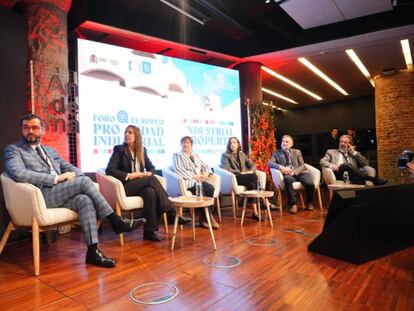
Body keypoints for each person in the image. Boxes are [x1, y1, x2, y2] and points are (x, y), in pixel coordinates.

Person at [4, 114, 146, 268]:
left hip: (59, 192)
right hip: (39, 196)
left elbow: (70, 167)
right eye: (26, 128)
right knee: (84, 182)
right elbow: (18, 173)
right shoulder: (13, 150)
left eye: (35, 127)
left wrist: (76, 176)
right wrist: (56, 179)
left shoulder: (50, 151)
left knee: (84, 200)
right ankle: (115, 220)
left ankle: (93, 251)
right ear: (22, 130)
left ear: (42, 131)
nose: (30, 131)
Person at [106, 125, 191, 242]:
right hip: (124, 187)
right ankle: (171, 213)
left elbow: (152, 168)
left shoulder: (142, 150)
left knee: (150, 192)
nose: (126, 134)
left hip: (139, 185)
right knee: (152, 180)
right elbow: (109, 170)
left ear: (137, 136)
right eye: (126, 132)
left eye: (130, 132)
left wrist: (148, 173)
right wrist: (131, 175)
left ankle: (149, 231)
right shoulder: (119, 149)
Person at [172, 136, 219, 229]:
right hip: (187, 182)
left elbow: (205, 165)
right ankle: (209, 217)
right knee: (201, 191)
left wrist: (206, 173)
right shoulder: (177, 155)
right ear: (180, 144)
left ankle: (202, 218)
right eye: (183, 142)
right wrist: (194, 176)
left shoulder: (195, 155)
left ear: (191, 145)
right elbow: (178, 169)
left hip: (198, 181)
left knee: (210, 188)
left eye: (188, 142)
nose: (185, 144)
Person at [268, 135, 315, 214]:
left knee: (310, 184)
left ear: (291, 144)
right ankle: (293, 204)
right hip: (288, 174)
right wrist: (281, 167)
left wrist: (294, 172)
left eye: (287, 142)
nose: (284, 143)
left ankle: (309, 203)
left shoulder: (297, 152)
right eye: (283, 141)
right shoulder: (277, 153)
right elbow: (269, 163)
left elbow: (303, 165)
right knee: (287, 179)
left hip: (299, 172)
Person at [220, 136, 261, 220]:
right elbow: (226, 168)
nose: (232, 145)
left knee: (252, 184)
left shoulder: (242, 154)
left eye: (234, 142)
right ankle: (263, 200)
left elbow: (252, 165)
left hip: (245, 177)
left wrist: (251, 171)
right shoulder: (225, 155)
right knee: (253, 177)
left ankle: (255, 212)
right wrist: (241, 173)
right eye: (230, 143)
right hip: (235, 178)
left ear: (238, 144)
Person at [320, 134, 387, 185]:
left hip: (353, 175)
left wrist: (354, 153)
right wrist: (331, 166)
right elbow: (322, 161)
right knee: (345, 165)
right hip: (339, 174)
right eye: (341, 142)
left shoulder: (354, 153)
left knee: (358, 181)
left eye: (345, 142)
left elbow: (366, 163)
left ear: (350, 144)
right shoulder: (331, 152)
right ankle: (373, 179)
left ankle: (362, 181)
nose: (342, 144)